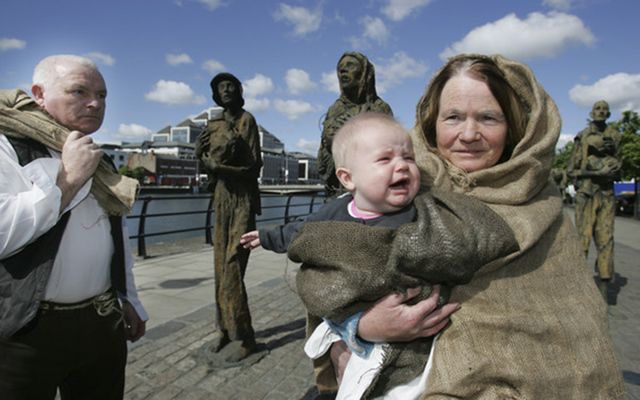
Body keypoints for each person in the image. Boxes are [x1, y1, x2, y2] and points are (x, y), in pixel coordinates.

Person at [329, 54, 625, 399]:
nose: (469, 134)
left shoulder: (545, 210)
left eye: (488, 118)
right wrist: (360, 327)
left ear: (515, 126)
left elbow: (579, 343)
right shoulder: (390, 188)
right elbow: (324, 276)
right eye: (453, 117)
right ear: (431, 122)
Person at [241, 113, 518, 399]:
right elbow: (302, 234)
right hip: (356, 315)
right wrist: (266, 237)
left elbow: (449, 245)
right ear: (348, 178)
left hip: (413, 329)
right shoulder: (333, 214)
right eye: (385, 160)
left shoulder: (422, 212)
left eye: (409, 158)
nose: (402, 166)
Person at [0, 54, 147, 399]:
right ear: (39, 93)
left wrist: (128, 297)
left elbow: (116, 236)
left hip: (101, 321)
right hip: (26, 331)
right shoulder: (7, 146)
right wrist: (69, 179)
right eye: (78, 91)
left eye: (102, 94)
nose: (95, 103)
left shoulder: (100, 158)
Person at [195, 72, 262, 363]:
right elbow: (205, 157)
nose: (226, 90)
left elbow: (253, 167)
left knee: (233, 267)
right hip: (221, 198)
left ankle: (245, 337)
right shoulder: (214, 124)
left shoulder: (247, 121)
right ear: (215, 94)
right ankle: (223, 329)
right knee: (220, 267)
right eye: (220, 87)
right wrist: (204, 158)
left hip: (242, 200)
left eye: (230, 86)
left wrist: (218, 167)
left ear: (238, 91)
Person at [318, 51, 393, 198]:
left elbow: (385, 147)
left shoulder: (380, 108)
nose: (343, 70)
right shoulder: (335, 109)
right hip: (338, 187)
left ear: (364, 74)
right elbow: (328, 141)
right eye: (340, 68)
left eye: (350, 65)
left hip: (372, 188)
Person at [567, 100, 622, 299]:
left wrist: (612, 168)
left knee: (606, 239)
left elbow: (619, 170)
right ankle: (578, 284)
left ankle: (605, 284)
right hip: (586, 194)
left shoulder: (615, 136)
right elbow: (571, 169)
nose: (601, 112)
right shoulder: (582, 136)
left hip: (607, 194)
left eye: (605, 110)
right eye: (598, 109)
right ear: (592, 112)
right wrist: (597, 171)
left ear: (608, 114)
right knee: (583, 239)